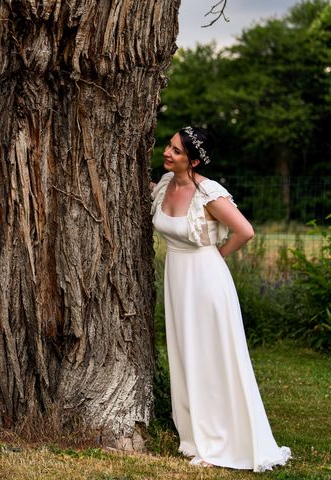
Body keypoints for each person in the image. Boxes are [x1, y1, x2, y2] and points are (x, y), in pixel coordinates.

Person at [150, 126, 290, 471]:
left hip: (206, 281)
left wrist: (216, 255)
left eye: (177, 151)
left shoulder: (209, 193)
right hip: (177, 280)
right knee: (185, 352)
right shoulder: (165, 185)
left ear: (194, 160)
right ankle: (194, 431)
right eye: (169, 146)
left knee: (212, 355)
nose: (168, 153)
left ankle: (223, 437)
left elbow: (246, 231)